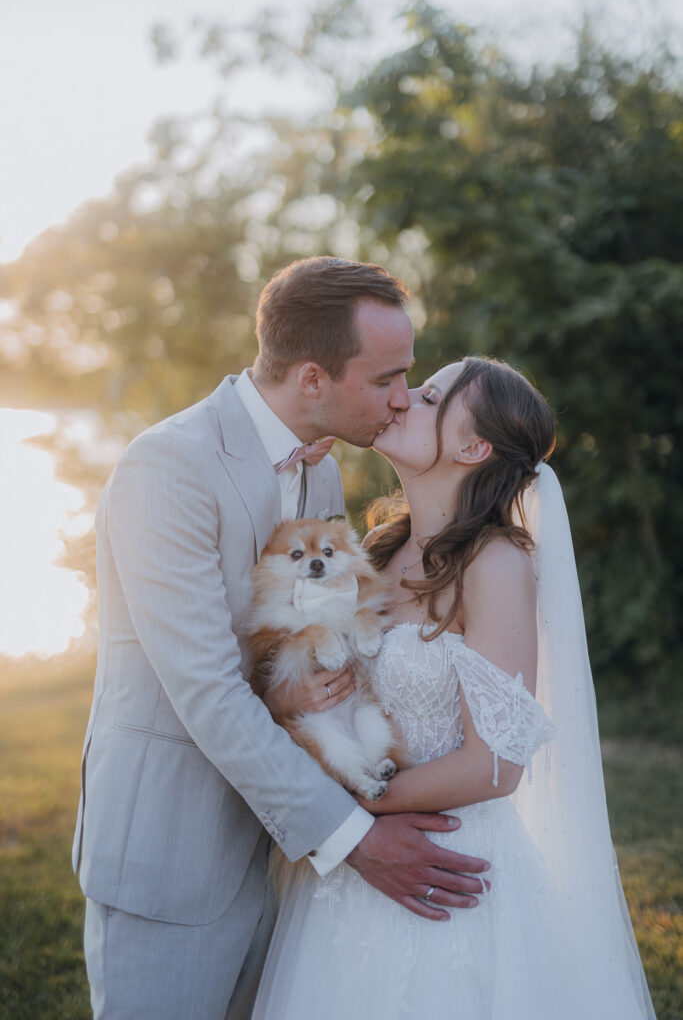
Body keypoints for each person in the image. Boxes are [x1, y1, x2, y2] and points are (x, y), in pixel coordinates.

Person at [71, 258, 491, 1020]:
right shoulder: (166, 468)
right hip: (174, 849)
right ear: (311, 379)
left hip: (281, 856)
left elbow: (308, 639)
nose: (403, 398)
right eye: (387, 378)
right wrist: (353, 837)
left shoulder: (321, 477)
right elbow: (205, 687)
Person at [251, 356, 656, 1019]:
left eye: (430, 396)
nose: (402, 397)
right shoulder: (377, 551)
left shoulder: (495, 564)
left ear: (473, 448)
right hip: (351, 869)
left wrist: (343, 815)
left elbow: (494, 764)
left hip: (443, 868)